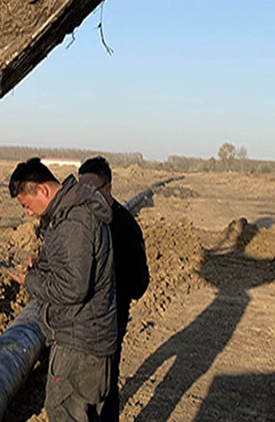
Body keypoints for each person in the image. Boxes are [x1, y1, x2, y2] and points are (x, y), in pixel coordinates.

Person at [7, 158, 117, 422]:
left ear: (43, 191)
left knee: (64, 412)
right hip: (89, 339)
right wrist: (43, 263)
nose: (29, 213)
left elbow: (73, 288)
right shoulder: (67, 215)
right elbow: (72, 264)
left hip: (78, 344)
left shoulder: (73, 222)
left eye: (27, 205)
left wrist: (31, 282)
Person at [79, 156, 150, 422]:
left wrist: (114, 288)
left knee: (106, 384)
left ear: (107, 188)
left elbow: (139, 283)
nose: (85, 196)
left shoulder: (124, 226)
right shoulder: (84, 221)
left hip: (111, 316)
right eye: (81, 189)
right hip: (84, 318)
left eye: (91, 189)